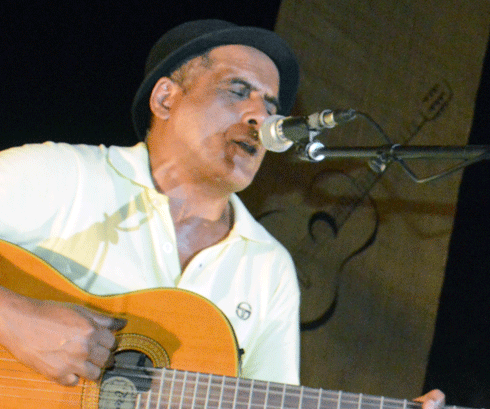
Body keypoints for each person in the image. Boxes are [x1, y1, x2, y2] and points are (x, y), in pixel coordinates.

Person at [0, 19, 444, 407]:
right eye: (238, 91)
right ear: (166, 99)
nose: (261, 118)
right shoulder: (65, 175)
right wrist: (19, 320)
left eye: (271, 107)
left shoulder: (269, 268)